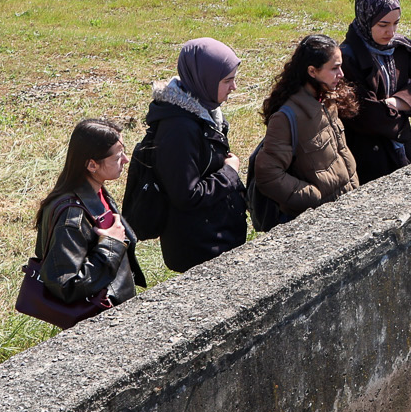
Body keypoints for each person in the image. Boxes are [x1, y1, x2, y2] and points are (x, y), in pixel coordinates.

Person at [142, 38, 248, 273]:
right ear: (205, 80)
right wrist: (229, 173)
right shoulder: (180, 129)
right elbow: (186, 195)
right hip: (200, 250)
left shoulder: (205, 111)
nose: (234, 87)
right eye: (227, 80)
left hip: (215, 238)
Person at [33, 118, 142, 313]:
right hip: (101, 321)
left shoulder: (96, 190)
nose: (125, 159)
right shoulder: (72, 217)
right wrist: (112, 245)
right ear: (92, 165)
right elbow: (65, 285)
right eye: (118, 156)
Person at [253, 34, 361, 222]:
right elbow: (268, 176)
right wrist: (313, 197)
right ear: (312, 71)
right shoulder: (286, 118)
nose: (341, 74)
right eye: (334, 68)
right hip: (314, 221)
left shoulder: (328, 98)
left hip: (345, 211)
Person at [340, 0, 411, 183]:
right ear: (366, 19)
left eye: (395, 23)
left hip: (403, 148)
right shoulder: (347, 58)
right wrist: (404, 105)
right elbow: (364, 114)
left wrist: (393, 103)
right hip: (367, 156)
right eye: (383, 25)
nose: (390, 32)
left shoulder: (400, 48)